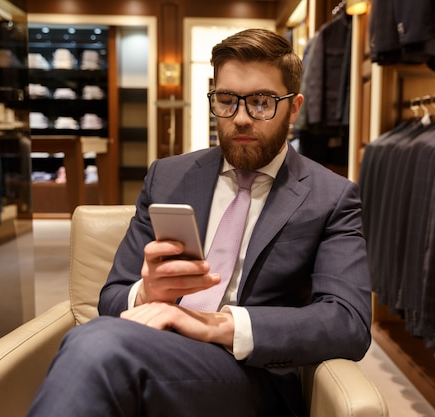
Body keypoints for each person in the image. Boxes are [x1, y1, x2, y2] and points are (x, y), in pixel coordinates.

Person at [26, 28, 372, 417]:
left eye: (261, 102)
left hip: (253, 377)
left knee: (94, 346)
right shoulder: (167, 177)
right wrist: (147, 294)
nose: (240, 118)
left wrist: (216, 325)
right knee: (96, 348)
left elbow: (348, 321)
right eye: (226, 101)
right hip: (150, 351)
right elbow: (111, 297)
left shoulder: (331, 196)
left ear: (293, 108)